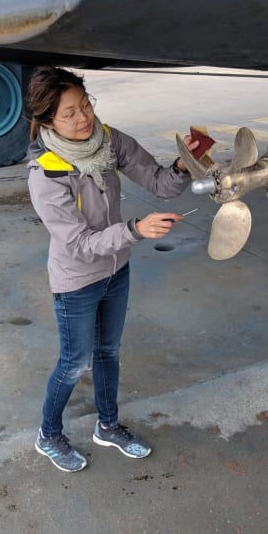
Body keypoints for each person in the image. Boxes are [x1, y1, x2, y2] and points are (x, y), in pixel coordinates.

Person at [25, 66, 199, 472]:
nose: (83, 118)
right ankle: (48, 435)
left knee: (108, 351)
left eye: (85, 105)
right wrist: (135, 230)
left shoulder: (108, 140)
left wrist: (183, 165)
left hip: (115, 271)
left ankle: (108, 425)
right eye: (69, 114)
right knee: (74, 361)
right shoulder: (46, 173)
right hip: (76, 281)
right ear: (48, 120)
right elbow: (81, 243)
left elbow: (157, 182)